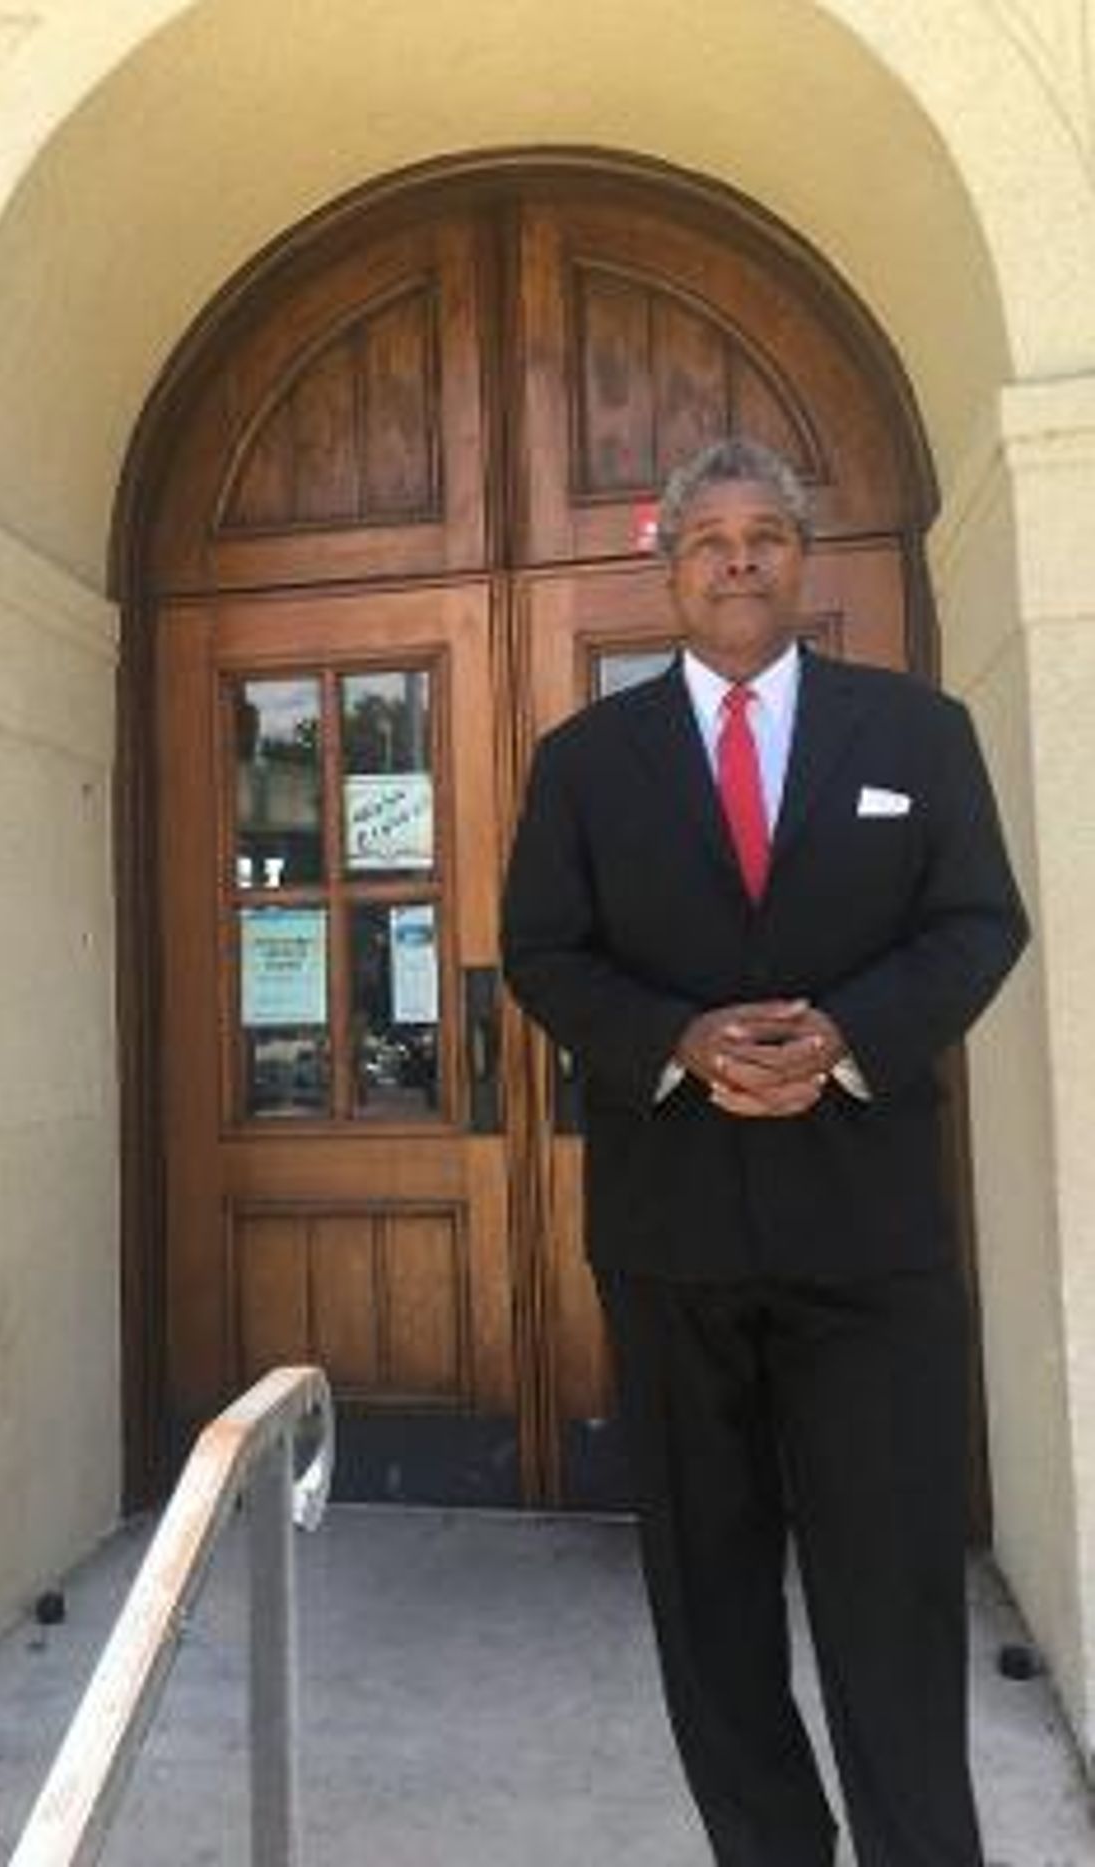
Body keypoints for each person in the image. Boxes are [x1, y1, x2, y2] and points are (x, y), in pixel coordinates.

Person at [500, 437, 1029, 1867]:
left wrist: (846, 1035)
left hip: (872, 1250)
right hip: (671, 1245)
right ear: (668, 573)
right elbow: (542, 953)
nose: (739, 558)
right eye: (709, 539)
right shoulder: (586, 763)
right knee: (710, 1605)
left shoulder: (917, 734)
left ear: (804, 560)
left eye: (766, 535)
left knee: (893, 1599)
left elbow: (980, 923)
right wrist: (678, 1042)